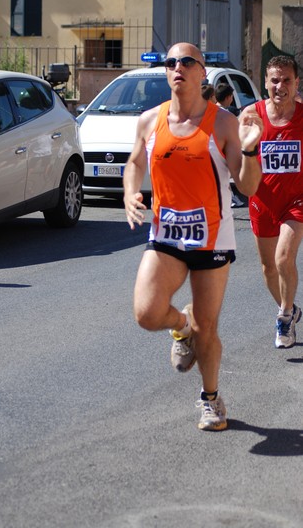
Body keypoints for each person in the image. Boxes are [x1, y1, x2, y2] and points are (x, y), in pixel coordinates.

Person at [123, 42, 263, 431]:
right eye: (171, 62)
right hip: (166, 235)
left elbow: (248, 188)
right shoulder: (151, 120)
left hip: (212, 240)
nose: (178, 67)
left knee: (208, 328)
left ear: (203, 73)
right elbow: (134, 163)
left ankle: (211, 399)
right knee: (146, 313)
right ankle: (179, 325)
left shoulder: (222, 123)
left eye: (187, 61)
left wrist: (251, 153)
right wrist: (129, 191)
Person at [240, 55, 303, 349]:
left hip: (296, 200)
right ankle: (289, 307)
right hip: (262, 199)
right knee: (268, 268)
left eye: (286, 80)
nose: (280, 86)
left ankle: (284, 316)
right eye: (274, 80)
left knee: (283, 258)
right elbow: (238, 154)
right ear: (265, 82)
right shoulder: (251, 115)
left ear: (296, 83)